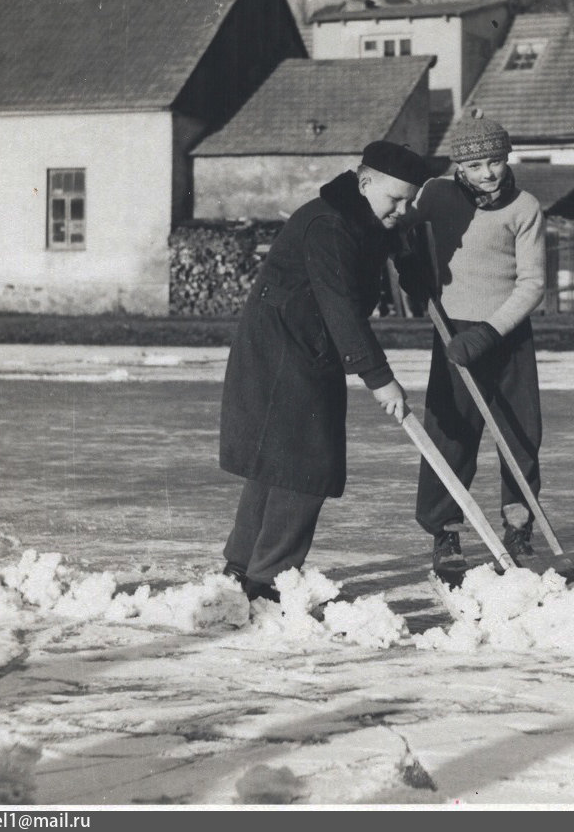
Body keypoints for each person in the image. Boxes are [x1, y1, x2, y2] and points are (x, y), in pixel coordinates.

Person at [218, 140, 433, 602]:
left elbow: (392, 245)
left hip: (302, 346)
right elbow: (341, 309)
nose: (403, 210)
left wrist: (409, 258)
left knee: (278, 461)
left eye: (410, 201)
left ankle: (242, 568)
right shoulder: (329, 225)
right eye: (396, 199)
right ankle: (269, 579)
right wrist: (380, 379)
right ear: (365, 182)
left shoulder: (360, 216)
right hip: (286, 351)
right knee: (306, 466)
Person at [397, 110, 547, 584]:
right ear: (459, 167)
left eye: (496, 161)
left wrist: (489, 332)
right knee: (452, 433)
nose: (488, 173)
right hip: (452, 331)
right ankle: (445, 531)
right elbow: (398, 225)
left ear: (507, 158)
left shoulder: (525, 208)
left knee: (520, 434)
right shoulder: (436, 195)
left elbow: (532, 284)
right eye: (476, 165)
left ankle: (518, 530)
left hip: (506, 333)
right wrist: (409, 267)